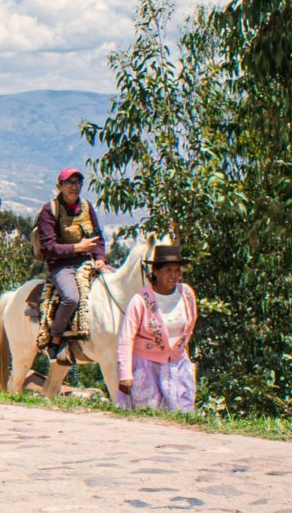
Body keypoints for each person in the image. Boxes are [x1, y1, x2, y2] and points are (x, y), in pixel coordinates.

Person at [34, 167, 107, 362]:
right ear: (60, 186)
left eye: (77, 183)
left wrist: (100, 257)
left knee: (117, 286)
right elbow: (48, 247)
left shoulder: (86, 206)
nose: (74, 187)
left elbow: (98, 236)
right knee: (71, 298)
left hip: (88, 262)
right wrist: (77, 248)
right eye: (69, 183)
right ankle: (56, 338)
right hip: (62, 265)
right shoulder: (50, 211)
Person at [117, 242, 198, 411]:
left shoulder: (187, 294)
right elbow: (126, 338)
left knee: (182, 416)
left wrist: (183, 355)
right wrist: (125, 374)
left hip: (178, 366)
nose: (174, 276)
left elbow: (188, 328)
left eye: (177, 271)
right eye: (168, 270)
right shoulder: (140, 300)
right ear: (155, 271)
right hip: (147, 368)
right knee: (150, 416)